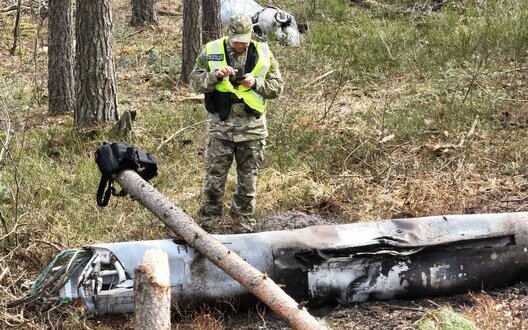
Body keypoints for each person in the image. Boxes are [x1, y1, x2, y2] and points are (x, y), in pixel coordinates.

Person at [189, 14, 284, 233]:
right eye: (236, 39)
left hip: (252, 130)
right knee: (214, 179)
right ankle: (209, 223)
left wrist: (256, 83)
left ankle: (242, 222)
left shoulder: (263, 52)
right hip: (220, 129)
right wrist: (214, 76)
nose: (239, 44)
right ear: (228, 34)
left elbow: (277, 87)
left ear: (251, 34)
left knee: (248, 182)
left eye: (244, 39)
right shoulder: (211, 50)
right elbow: (194, 82)